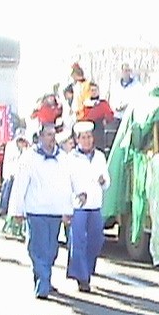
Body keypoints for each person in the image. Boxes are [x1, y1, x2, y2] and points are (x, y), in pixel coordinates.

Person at [8, 123, 74, 299]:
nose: (51, 138)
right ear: (40, 137)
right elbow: (20, 185)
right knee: (37, 249)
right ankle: (43, 284)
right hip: (36, 211)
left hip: (55, 211)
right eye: (48, 135)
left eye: (53, 135)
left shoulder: (63, 158)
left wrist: (68, 210)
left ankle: (44, 278)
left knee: (51, 250)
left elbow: (67, 185)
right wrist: (17, 211)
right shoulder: (29, 158)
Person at [66, 121, 110, 293]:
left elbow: (106, 179)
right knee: (78, 241)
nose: (86, 140)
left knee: (96, 239)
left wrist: (103, 181)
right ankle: (82, 277)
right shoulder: (71, 158)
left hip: (95, 205)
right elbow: (66, 183)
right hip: (78, 206)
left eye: (89, 137)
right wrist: (77, 194)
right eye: (83, 137)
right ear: (77, 140)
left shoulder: (99, 156)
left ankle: (87, 268)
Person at [82, 82, 115, 152]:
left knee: (99, 149)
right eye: (92, 90)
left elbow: (110, 114)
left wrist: (106, 120)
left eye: (95, 90)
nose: (93, 92)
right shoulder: (86, 104)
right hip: (88, 129)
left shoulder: (102, 103)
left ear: (98, 91)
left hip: (99, 129)